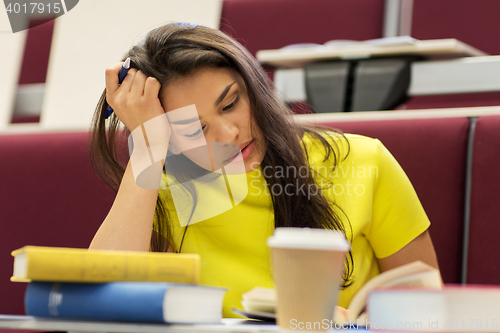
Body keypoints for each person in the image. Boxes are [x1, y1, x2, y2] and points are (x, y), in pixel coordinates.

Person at [89, 22, 440, 318]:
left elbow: (426, 308)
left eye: (230, 103)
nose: (229, 135)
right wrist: (147, 147)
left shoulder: (363, 161)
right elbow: (97, 300)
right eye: (194, 130)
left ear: (255, 87)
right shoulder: (161, 191)